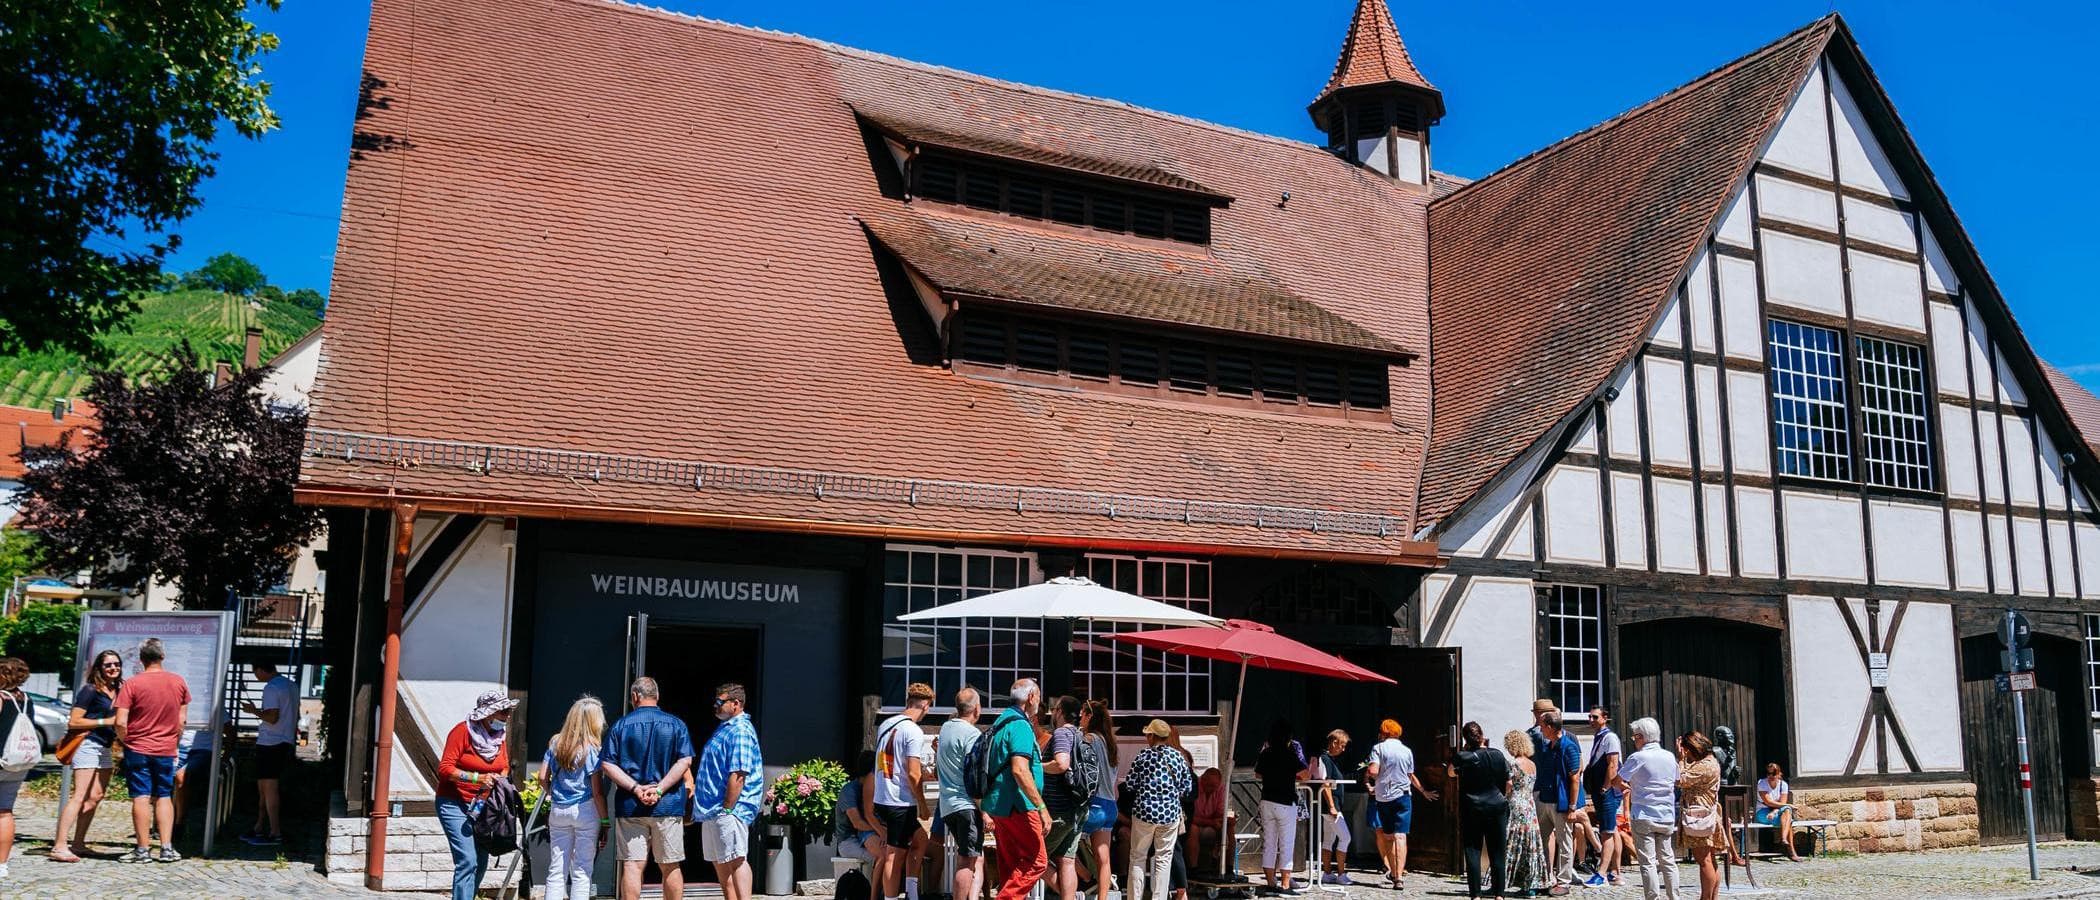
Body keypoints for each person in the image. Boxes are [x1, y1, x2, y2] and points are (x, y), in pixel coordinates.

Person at [602, 676, 696, 900]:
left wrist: (636, 788)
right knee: (670, 865)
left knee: (633, 866)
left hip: (631, 806)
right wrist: (660, 789)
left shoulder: (621, 725)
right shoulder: (676, 724)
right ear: (657, 696)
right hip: (669, 805)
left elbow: (607, 764)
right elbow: (685, 761)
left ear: (634, 697)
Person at [114, 638, 190, 864]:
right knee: (164, 795)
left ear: (141, 658)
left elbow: (120, 721)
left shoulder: (132, 684)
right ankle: (166, 848)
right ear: (162, 656)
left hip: (137, 747)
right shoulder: (178, 682)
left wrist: (126, 741)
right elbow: (181, 721)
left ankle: (142, 849)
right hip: (166, 748)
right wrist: (173, 742)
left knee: (141, 796)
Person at [435, 690, 514, 900]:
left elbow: (504, 766)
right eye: (503, 711)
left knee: (481, 860)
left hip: (483, 805)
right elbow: (445, 769)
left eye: (509, 711)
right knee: (467, 860)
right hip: (454, 803)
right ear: (488, 714)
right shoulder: (462, 732)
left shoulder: (499, 737)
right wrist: (477, 778)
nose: (507, 715)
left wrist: (499, 779)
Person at [50, 649, 123, 863]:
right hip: (88, 744)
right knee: (80, 795)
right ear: (99, 668)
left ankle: (78, 844)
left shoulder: (118, 689)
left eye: (116, 664)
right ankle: (59, 846)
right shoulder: (90, 690)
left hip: (106, 747)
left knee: (95, 797)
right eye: (108, 665)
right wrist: (105, 722)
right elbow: (74, 721)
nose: (113, 668)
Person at [695, 682, 764, 900]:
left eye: (720, 701)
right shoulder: (726, 728)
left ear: (736, 703)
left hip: (729, 809)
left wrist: (727, 807)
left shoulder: (741, 730)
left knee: (736, 859)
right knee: (722, 862)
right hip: (713, 809)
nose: (715, 706)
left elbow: (738, 774)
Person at [541, 695, 609, 900]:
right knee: (581, 870)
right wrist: (605, 821)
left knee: (556, 868)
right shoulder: (593, 750)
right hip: (586, 809)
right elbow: (597, 792)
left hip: (559, 809)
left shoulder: (556, 743)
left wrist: (554, 794)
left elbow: (542, 777)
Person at [988, 678, 1050, 900]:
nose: (1040, 703)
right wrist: (1041, 807)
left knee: (1011, 864)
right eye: (1040, 697)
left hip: (999, 805)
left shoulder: (1000, 724)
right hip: (1020, 805)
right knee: (1037, 861)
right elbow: (1020, 769)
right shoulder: (1021, 726)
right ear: (1031, 697)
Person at [873, 682, 934, 900]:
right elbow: (913, 774)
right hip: (898, 800)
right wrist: (923, 805)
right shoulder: (913, 731)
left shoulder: (886, 724)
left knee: (920, 840)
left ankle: (912, 892)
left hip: (882, 796)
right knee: (894, 855)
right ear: (926, 706)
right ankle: (891, 898)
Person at [1125, 719, 1193, 900]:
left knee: (1138, 858)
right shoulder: (1178, 757)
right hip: (1170, 815)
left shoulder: (1143, 756)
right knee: (1164, 860)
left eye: (1148, 734)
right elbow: (1187, 788)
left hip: (1144, 813)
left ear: (1152, 736)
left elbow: (1130, 784)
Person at [1365, 718, 1437, 889]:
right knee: (1401, 835)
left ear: (1384, 732)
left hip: (1384, 797)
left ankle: (1393, 871)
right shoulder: (1407, 751)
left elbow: (1373, 771)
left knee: (1389, 835)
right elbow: (1410, 776)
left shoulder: (1378, 748)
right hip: (1403, 796)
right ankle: (1399, 878)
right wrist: (1424, 791)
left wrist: (1374, 775)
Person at [1614, 718, 1678, 900]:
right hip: (1666, 813)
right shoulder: (1669, 756)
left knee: (1648, 862)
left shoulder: (1638, 757)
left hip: (1644, 813)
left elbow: (1618, 781)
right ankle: (1675, 897)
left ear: (1641, 737)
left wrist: (1628, 786)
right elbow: (1676, 779)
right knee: (1668, 860)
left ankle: (1653, 898)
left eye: (1635, 737)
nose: (1634, 741)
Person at [239, 660, 298, 846]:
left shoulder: (271, 688)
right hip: (284, 739)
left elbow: (272, 717)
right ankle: (260, 826)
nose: (256, 676)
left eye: (255, 672)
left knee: (268, 787)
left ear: (261, 669)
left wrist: (253, 711)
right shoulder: (291, 685)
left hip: (271, 741)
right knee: (264, 787)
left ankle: (274, 832)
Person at [938, 687, 988, 900]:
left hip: (947, 804)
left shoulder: (946, 728)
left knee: (974, 857)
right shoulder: (972, 734)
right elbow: (974, 777)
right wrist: (984, 810)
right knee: (966, 861)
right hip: (966, 804)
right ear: (977, 708)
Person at [1453, 722, 1509, 899]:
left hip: (1473, 807)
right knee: (1498, 850)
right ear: (1482, 736)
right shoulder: (1498, 755)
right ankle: (1499, 893)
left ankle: (1475, 894)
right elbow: (1508, 782)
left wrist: (1464, 751)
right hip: (1497, 806)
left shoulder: (1463, 756)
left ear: (1465, 739)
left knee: (1473, 850)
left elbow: (1450, 773)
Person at [1252, 719, 1308, 893]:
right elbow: (1305, 774)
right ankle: (1285, 884)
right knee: (1286, 843)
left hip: (1267, 800)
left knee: (1269, 843)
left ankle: (1270, 882)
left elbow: (1257, 774)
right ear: (1288, 737)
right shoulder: (1289, 753)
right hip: (1285, 802)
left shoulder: (1266, 753)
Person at [1041, 695, 1088, 900]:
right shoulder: (1081, 735)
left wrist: (1037, 766)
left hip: (1057, 809)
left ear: (1060, 712)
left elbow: (1061, 764)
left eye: (1055, 709)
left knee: (1033, 857)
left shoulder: (1060, 733)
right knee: (1067, 860)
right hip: (1078, 807)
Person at [1531, 711, 1580, 894]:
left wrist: (1572, 807)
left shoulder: (1568, 746)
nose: (1541, 729)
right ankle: (1545, 876)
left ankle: (1564, 881)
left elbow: (1575, 778)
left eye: (1543, 726)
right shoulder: (1548, 746)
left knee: (1564, 842)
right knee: (1541, 840)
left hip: (1561, 803)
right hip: (1544, 799)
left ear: (1550, 727)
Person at [0, 658, 39, 881]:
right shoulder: (27, 699)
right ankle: (2, 865)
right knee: (5, 811)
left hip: (0, 759)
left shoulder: (1, 698)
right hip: (17, 762)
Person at [1080, 699, 1119, 900]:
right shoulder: (1110, 743)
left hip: (1093, 804)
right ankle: (1103, 897)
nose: (1080, 719)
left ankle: (1084, 876)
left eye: (1082, 715)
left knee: (1062, 845)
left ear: (1089, 717)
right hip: (1110, 806)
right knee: (1104, 859)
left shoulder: (1089, 739)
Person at [1501, 730, 1547, 898]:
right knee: (1531, 844)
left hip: (1516, 804)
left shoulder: (1514, 764)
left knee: (1512, 841)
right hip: (1529, 804)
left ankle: (1503, 880)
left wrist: (1504, 798)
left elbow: (1509, 785)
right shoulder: (1532, 764)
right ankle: (1531, 885)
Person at [1678, 732, 1724, 900]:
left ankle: (1705, 898)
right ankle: (1713, 897)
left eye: (1687, 749)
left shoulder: (1705, 765)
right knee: (1710, 860)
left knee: (1704, 860)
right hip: (1706, 813)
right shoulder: (1709, 762)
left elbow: (1681, 779)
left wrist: (1681, 759)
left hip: (1700, 816)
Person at [1582, 707, 1622, 887]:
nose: (1591, 719)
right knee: (1613, 831)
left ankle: (1602, 874)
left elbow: (1612, 764)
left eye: (1595, 717)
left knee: (1606, 832)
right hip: (1601, 790)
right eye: (1589, 716)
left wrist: (1606, 787)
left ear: (1605, 718)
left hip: (1608, 792)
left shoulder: (1610, 738)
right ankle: (1616, 872)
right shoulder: (1600, 737)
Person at [1313, 729, 1352, 886]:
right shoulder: (1326, 759)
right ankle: (1341, 874)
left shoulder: (1330, 760)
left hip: (1330, 806)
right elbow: (1326, 783)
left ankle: (1327, 873)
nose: (1343, 749)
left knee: (1328, 839)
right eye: (1342, 745)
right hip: (1331, 807)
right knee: (1345, 837)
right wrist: (1331, 806)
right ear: (1334, 743)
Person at [1186, 768, 1228, 876]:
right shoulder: (1193, 787)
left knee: (1228, 827)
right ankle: (1193, 869)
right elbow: (1190, 817)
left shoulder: (1220, 789)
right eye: (1210, 785)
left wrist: (1218, 821)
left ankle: (1225, 866)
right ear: (1203, 780)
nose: (1213, 789)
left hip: (1209, 824)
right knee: (1193, 829)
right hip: (1193, 824)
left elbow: (1220, 813)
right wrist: (1211, 822)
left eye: (1215, 786)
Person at [1756, 763, 1800, 861]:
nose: (1771, 776)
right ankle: (1791, 851)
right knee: (1788, 820)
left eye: (1774, 773)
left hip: (1776, 811)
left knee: (1787, 811)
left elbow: (1782, 803)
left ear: (1779, 773)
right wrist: (1789, 805)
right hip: (1763, 811)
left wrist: (1775, 812)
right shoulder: (1761, 783)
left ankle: (1784, 839)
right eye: (1768, 773)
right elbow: (1768, 802)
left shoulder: (1783, 785)